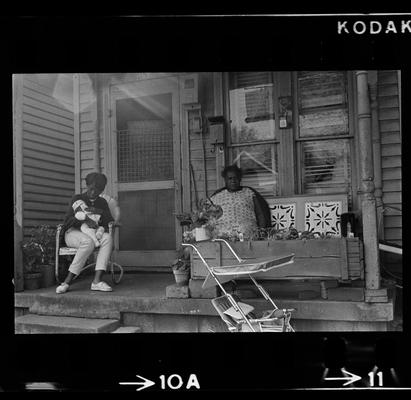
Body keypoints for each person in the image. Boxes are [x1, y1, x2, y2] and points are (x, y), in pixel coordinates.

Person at [55, 172, 114, 294]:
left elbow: (108, 221)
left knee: (107, 238)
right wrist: (85, 219)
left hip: (93, 233)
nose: (93, 193)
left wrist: (101, 227)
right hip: (73, 233)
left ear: (102, 189)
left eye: (97, 190)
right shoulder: (77, 199)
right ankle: (67, 281)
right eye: (91, 189)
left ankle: (97, 282)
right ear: (87, 185)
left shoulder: (102, 202)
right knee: (88, 242)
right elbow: (67, 221)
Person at [210, 165, 272, 240]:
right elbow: (206, 217)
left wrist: (262, 232)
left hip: (247, 234)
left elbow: (261, 214)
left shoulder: (249, 193)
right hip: (223, 236)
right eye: (230, 178)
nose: (233, 180)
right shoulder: (216, 196)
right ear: (225, 180)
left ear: (240, 179)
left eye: (235, 178)